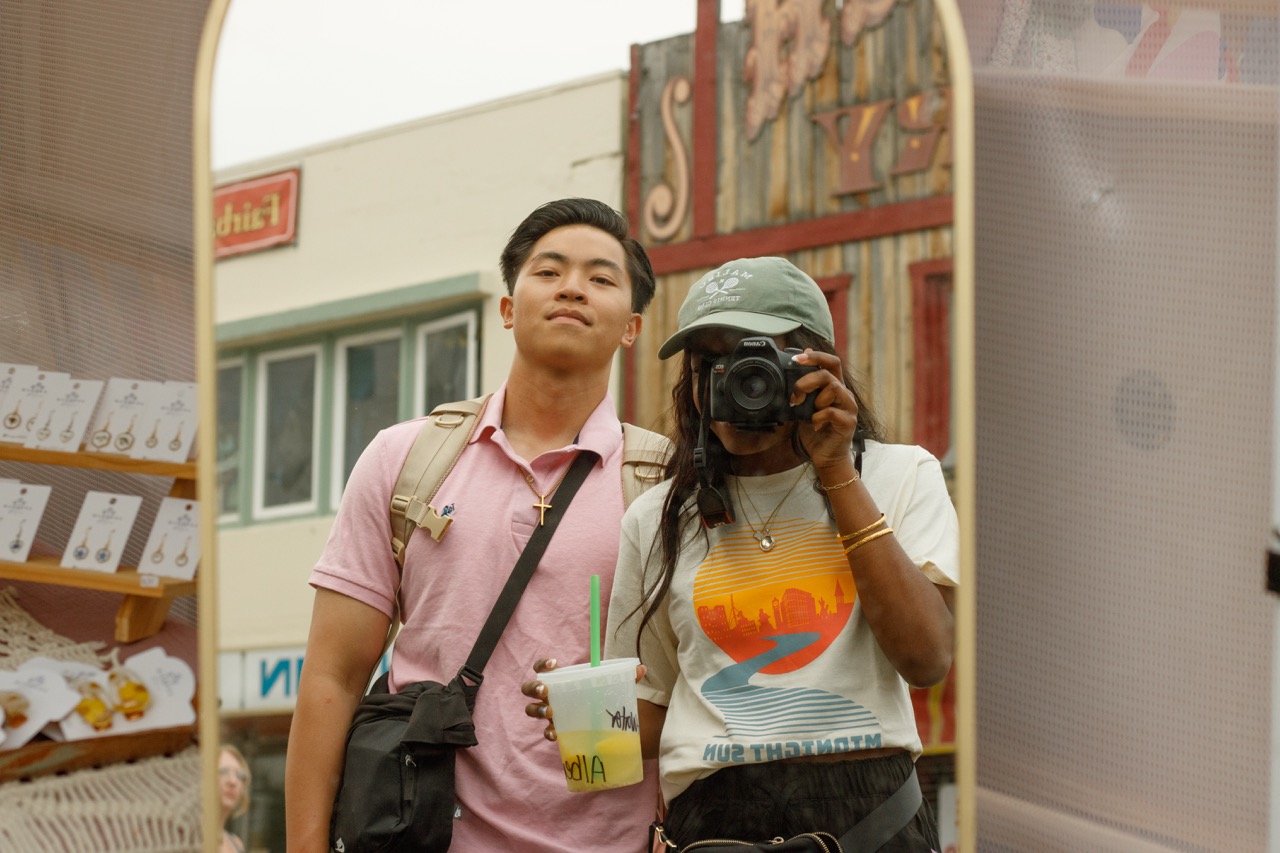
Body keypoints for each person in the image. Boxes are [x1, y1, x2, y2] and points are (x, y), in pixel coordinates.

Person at [525, 256, 958, 850]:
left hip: (870, 815)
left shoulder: (899, 473)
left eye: (757, 360)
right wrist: (581, 712)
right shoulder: (656, 520)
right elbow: (650, 714)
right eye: (710, 363)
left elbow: (928, 659)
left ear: (814, 365)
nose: (734, 380)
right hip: (715, 826)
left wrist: (836, 471)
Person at [284, 198, 660, 852]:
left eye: (601, 278)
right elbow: (332, 677)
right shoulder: (406, 459)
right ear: (508, 308)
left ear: (630, 327)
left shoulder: (664, 484)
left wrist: (601, 714)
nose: (573, 287)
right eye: (549, 271)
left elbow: (702, 696)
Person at [218, 745, 250, 853]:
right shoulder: (189, 839)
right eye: (223, 771)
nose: (232, 781)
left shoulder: (236, 843)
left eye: (239, 775)